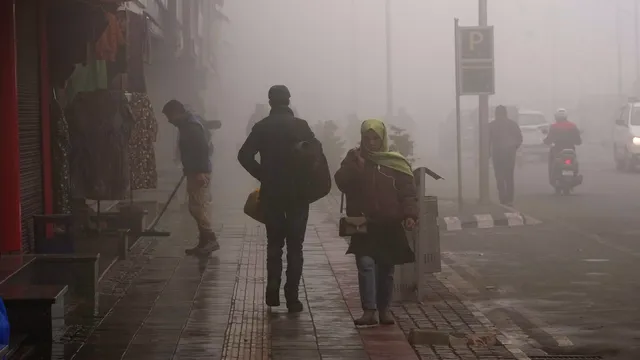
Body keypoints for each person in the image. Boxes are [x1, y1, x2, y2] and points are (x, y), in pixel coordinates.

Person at [238, 85, 316, 313]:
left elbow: (244, 155)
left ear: (270, 102)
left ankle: (272, 292)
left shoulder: (262, 127)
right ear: (289, 101)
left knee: (274, 245)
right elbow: (315, 154)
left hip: (272, 193)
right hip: (298, 195)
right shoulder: (301, 126)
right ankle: (292, 297)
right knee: (295, 247)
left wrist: (263, 174)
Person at [334, 119, 417, 326]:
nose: (371, 143)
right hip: (363, 221)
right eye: (367, 138)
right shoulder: (354, 157)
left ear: (382, 139)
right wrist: (358, 167)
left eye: (375, 139)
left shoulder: (394, 161)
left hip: (389, 223)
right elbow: (341, 181)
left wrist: (410, 215)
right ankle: (369, 310)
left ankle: (384, 309)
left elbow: (407, 191)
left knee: (386, 268)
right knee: (366, 264)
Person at [162, 100, 219, 256]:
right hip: (194, 170)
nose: (169, 120)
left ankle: (210, 239)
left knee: (199, 206)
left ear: (175, 113)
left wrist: (199, 171)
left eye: (169, 116)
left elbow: (200, 149)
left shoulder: (190, 126)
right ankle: (203, 241)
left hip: (199, 172)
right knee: (195, 206)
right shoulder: (188, 124)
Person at [489, 105, 523, 206]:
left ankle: (502, 198)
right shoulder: (512, 124)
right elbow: (519, 139)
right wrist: (514, 148)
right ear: (506, 113)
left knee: (499, 176)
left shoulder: (491, 125)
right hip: (509, 153)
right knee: (509, 176)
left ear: (495, 114)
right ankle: (509, 198)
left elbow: (487, 140)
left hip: (497, 153)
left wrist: (487, 153)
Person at [544, 108, 582, 184]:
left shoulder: (554, 126)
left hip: (557, 150)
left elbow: (548, 140)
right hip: (571, 150)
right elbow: (579, 141)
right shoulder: (573, 126)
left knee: (552, 161)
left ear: (556, 117)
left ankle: (553, 177)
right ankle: (575, 174)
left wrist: (545, 141)